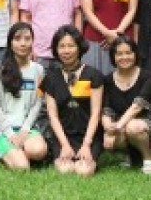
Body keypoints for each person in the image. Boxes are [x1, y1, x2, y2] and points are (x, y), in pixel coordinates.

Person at [42, 25, 104, 176]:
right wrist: (64, 144)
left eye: (71, 45)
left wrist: (86, 144)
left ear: (79, 47)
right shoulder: (51, 78)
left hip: (88, 135)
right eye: (61, 46)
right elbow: (53, 116)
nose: (66, 51)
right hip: (63, 136)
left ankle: (90, 154)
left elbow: (96, 113)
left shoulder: (93, 75)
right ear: (56, 50)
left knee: (83, 171)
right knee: (65, 170)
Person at [0, 23, 48, 170]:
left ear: (33, 42)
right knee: (22, 167)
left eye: (27, 39)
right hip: (1, 129)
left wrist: (25, 129)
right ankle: (4, 151)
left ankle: (18, 151)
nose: (23, 43)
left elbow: (37, 104)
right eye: (17, 39)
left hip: (26, 128)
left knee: (39, 151)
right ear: (10, 43)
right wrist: (10, 134)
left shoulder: (39, 70)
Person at [101, 36, 151, 174]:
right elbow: (106, 109)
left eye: (128, 53)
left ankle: (148, 159)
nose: (124, 57)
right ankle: (132, 156)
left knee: (133, 127)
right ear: (113, 56)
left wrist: (118, 126)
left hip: (150, 125)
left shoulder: (148, 77)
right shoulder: (107, 79)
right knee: (111, 140)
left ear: (135, 54)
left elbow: (137, 106)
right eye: (119, 53)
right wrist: (107, 128)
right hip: (122, 126)